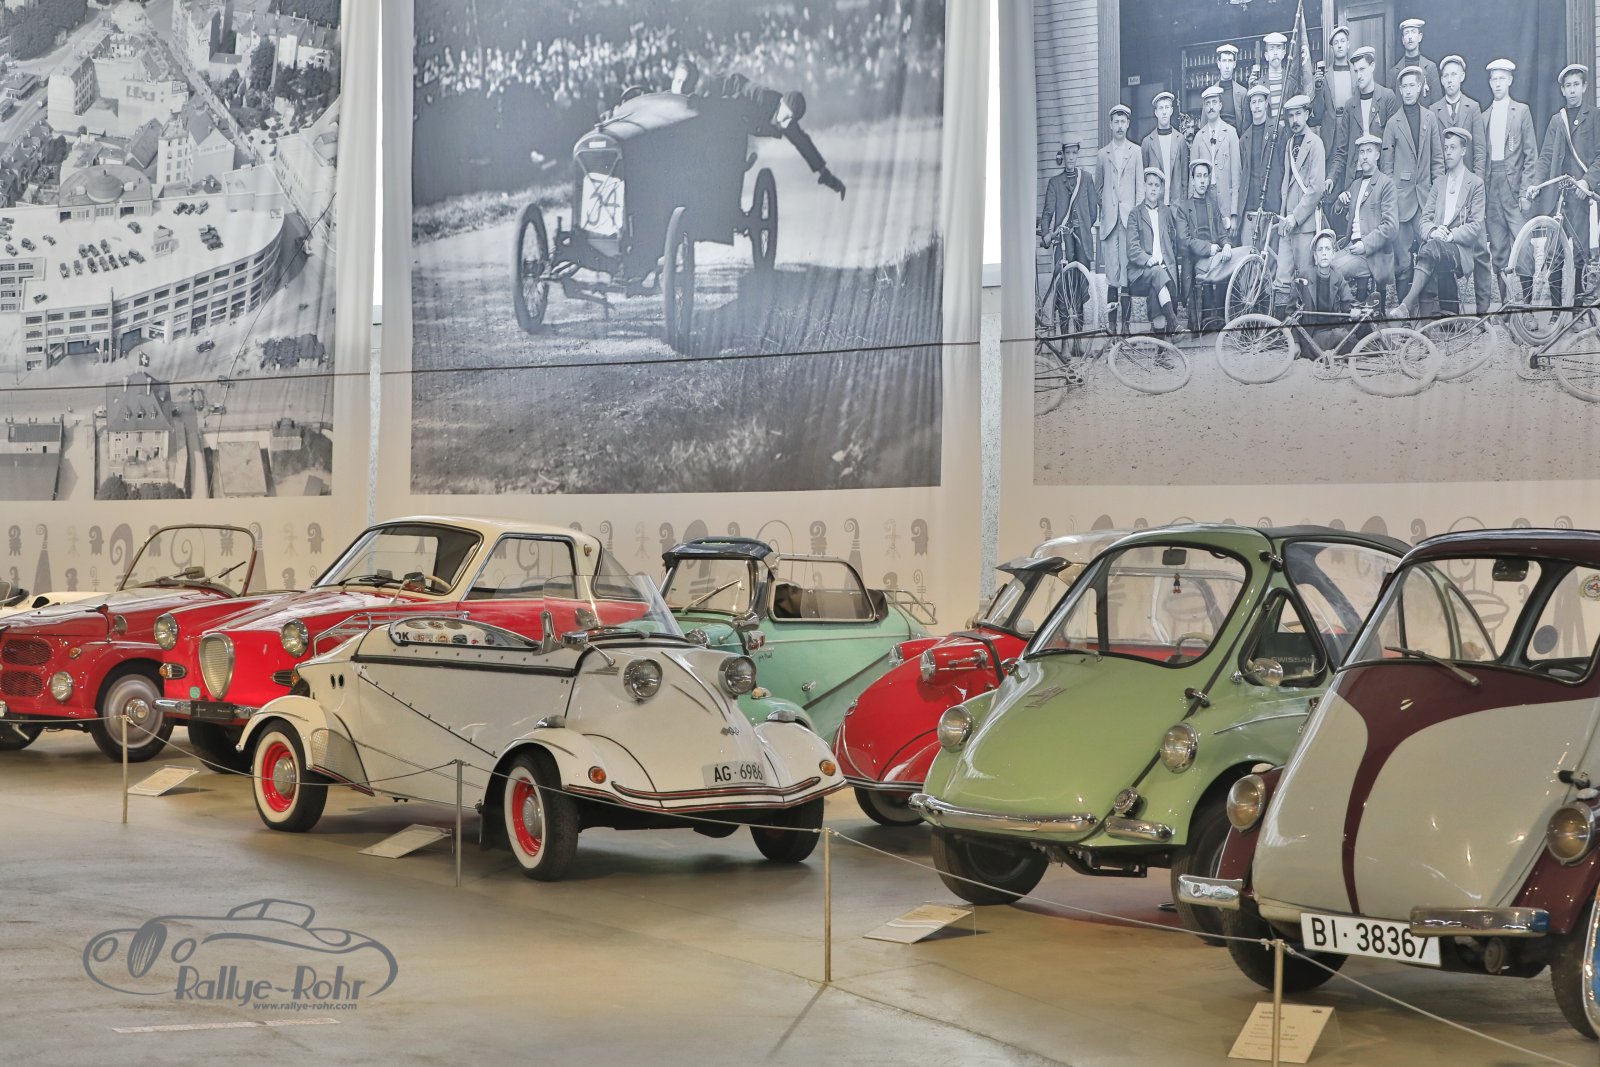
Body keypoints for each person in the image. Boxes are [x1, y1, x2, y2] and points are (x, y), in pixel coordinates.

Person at [1393, 126, 1490, 317]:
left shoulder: (1475, 184)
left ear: (1463, 151)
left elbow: (1475, 226)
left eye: (1453, 148)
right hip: (1436, 247)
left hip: (1460, 250)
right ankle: (1427, 326)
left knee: (1430, 249)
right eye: (1445, 148)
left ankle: (1406, 305)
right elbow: (1424, 219)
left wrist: (1450, 235)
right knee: (1430, 250)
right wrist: (1432, 231)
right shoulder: (1439, 183)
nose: (1448, 153)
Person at [1529, 63, 1600, 301]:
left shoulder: (1595, 116)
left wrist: (1587, 182)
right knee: (1554, 253)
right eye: (1568, 86)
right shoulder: (1556, 120)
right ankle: (1557, 311)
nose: (1572, 90)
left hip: (1582, 197)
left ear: (1585, 87)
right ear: (1562, 90)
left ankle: (1578, 308)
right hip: (1560, 196)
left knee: (1581, 255)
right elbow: (1546, 156)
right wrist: (1536, 184)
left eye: (1576, 85)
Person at [706, 80, 846, 199]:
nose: (787, 122)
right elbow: (732, 102)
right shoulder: (761, 98)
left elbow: (804, 145)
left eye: (792, 119)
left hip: (739, 128)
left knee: (737, 160)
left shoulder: (787, 123)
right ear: (781, 102)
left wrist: (826, 175)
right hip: (720, 92)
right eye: (787, 115)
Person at [1381, 66, 1444, 297]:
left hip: (1425, 200)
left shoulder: (1430, 118)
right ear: (1399, 89)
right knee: (1403, 261)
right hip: (1401, 202)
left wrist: (1437, 194)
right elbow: (1386, 167)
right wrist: (1392, 201)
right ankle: (1404, 310)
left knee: (1429, 252)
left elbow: (1437, 160)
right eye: (1404, 86)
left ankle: (1429, 308)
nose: (1408, 91)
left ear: (1419, 88)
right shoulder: (1392, 123)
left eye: (1412, 86)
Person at [1481, 58, 1540, 301]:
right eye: (1494, 79)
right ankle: (1506, 304)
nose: (1497, 83)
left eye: (1502, 79)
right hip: (1491, 188)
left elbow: (1531, 154)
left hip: (1514, 188)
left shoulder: (1521, 111)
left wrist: (1525, 192)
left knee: (1524, 246)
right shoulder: (1484, 116)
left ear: (1510, 81)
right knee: (1498, 248)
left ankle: (1527, 305)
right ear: (1489, 82)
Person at [1177, 160, 1243, 331]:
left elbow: (1221, 233)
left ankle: (1224, 320)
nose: (1202, 180)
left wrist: (1226, 244)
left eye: (1205, 176)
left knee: (1230, 262)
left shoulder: (1212, 204)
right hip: (1195, 259)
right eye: (1198, 176)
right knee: (1220, 266)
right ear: (1192, 180)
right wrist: (1208, 248)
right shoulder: (1184, 208)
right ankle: (1208, 322)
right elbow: (1184, 240)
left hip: (1215, 256)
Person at [1039, 141, 1099, 326]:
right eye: (1068, 153)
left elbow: (1093, 211)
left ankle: (1079, 336)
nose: (1071, 157)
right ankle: (1065, 338)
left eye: (1074, 153)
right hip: (1063, 241)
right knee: (1063, 288)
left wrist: (1082, 225)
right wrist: (1046, 234)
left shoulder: (1086, 178)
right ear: (1063, 155)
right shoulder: (1055, 183)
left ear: (1078, 154)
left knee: (1080, 288)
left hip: (1082, 242)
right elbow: (1048, 212)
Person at [1332, 134, 1398, 300]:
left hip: (1372, 254)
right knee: (1321, 266)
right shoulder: (1355, 185)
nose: (1365, 156)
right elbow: (1342, 217)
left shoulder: (1386, 184)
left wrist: (1365, 245)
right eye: (1361, 152)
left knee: (1331, 271)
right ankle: (1344, 310)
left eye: (1369, 151)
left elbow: (1390, 227)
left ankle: (1346, 308)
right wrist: (1340, 203)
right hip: (1351, 248)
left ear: (1377, 155)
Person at [1274, 95, 1326, 307]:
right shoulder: (1289, 144)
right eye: (1291, 116)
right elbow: (1286, 184)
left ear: (1307, 114)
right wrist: (1284, 215)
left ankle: (1308, 324)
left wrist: (1295, 217)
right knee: (1281, 279)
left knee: (1306, 280)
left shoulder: (1316, 144)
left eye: (1298, 114)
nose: (1294, 120)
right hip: (1287, 223)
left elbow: (1316, 189)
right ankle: (1281, 326)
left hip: (1304, 224)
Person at [1098, 103, 1143, 334]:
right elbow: (1098, 188)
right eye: (1116, 121)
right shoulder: (1102, 155)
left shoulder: (1136, 152)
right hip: (1110, 225)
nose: (1119, 126)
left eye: (1123, 121)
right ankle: (1111, 328)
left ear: (1128, 124)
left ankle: (1125, 328)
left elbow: (1140, 190)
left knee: (1126, 275)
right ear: (1110, 125)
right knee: (1112, 277)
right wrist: (1107, 209)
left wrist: (1136, 218)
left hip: (1128, 223)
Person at [1330, 47, 1399, 197]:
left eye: (1362, 69)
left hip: (1380, 174)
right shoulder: (1350, 106)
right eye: (1356, 71)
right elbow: (1341, 150)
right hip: (1355, 176)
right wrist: (1331, 178)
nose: (1359, 76)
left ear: (1372, 66)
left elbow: (1394, 144)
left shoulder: (1387, 98)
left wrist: (1389, 178)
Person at [1127, 167, 1182, 333]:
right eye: (1150, 184)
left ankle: (1160, 345)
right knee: (1157, 274)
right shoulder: (1135, 214)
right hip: (1140, 273)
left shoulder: (1166, 212)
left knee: (1156, 289)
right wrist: (1147, 259)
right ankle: (1173, 323)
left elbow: (1173, 242)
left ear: (1161, 189)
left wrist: (1168, 263)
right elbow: (1132, 248)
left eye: (1157, 185)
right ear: (1144, 186)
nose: (1153, 188)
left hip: (1162, 271)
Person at [1297, 229, 1357, 355]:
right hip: (1314, 336)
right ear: (1315, 256)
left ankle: (1390, 348)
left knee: (1364, 324)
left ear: (1333, 254)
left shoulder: (1337, 275)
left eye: (1328, 249)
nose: (1324, 253)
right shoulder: (1304, 277)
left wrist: (1354, 310)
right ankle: (1364, 347)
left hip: (1335, 328)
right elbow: (1291, 313)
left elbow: (1348, 302)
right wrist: (1296, 343)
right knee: (1342, 336)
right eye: (1320, 249)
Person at [1191, 84, 1241, 233]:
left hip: (1226, 202)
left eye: (1214, 102)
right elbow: (1191, 178)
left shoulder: (1231, 133)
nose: (1211, 107)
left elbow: (1236, 176)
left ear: (1220, 105)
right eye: (1207, 103)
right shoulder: (1199, 137)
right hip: (1205, 201)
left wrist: (1234, 214)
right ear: (1204, 107)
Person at [1237, 84, 1283, 243]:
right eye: (1253, 102)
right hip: (1250, 206)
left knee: (1270, 252)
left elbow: (1283, 168)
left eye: (1260, 101)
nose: (1256, 106)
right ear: (1249, 106)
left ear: (1266, 103)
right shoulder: (1244, 139)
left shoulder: (1277, 131)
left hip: (1271, 205)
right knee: (1248, 252)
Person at [1431, 55, 1485, 179]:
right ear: (1442, 80)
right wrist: (1439, 183)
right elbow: (1434, 153)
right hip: (1444, 179)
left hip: (1467, 180)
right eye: (1446, 76)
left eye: (1454, 74)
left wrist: (1477, 182)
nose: (1449, 80)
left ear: (1462, 76)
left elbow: (1479, 151)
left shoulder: (1473, 108)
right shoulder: (1433, 110)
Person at [1312, 25, 1355, 163]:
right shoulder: (1325, 76)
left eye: (1342, 41)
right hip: (1332, 132)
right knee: (1333, 169)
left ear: (1348, 45)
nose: (1339, 45)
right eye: (1336, 43)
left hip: (1353, 127)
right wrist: (1317, 88)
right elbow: (1318, 112)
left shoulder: (1356, 72)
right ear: (1332, 48)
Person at [1141, 91, 1188, 205]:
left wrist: (1183, 203)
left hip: (1176, 204)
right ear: (1156, 112)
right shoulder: (1147, 142)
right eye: (1161, 108)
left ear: (1171, 110)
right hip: (1155, 204)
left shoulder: (1180, 140)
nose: (1164, 112)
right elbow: (1143, 177)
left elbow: (1184, 177)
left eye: (1167, 107)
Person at [1389, 18, 1439, 101]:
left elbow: (1437, 103)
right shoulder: (1394, 73)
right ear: (1403, 40)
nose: (1410, 37)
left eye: (1413, 32)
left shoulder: (1430, 68)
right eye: (1406, 33)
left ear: (1420, 37)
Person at [1215, 43, 1249, 132]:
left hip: (1235, 138)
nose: (1227, 66)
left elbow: (1246, 126)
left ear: (1234, 64)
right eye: (1224, 61)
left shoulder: (1242, 92)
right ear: (1218, 64)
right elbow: (1204, 127)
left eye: (1230, 61)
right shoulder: (1211, 92)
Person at [1261, 32, 1291, 117]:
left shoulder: (1291, 80)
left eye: (1278, 48)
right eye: (1271, 49)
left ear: (1283, 53)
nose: (1275, 53)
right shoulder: (1260, 84)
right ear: (1266, 56)